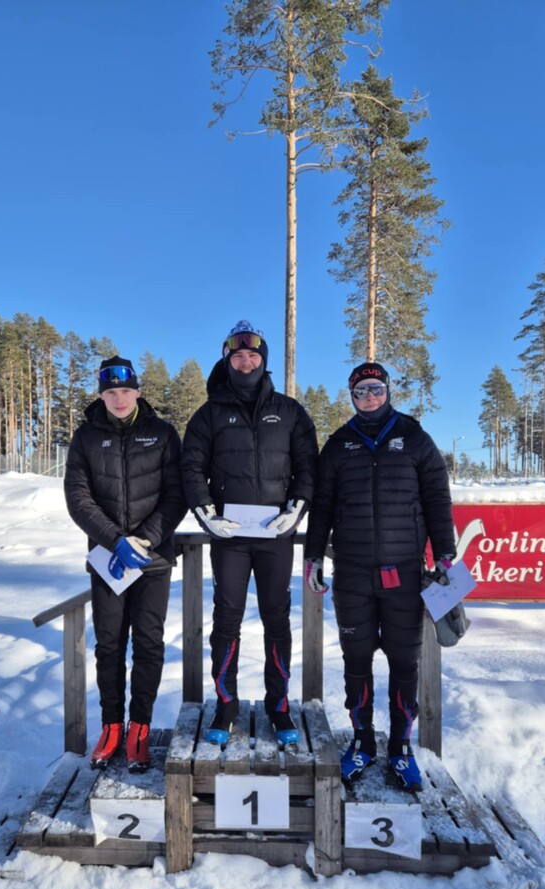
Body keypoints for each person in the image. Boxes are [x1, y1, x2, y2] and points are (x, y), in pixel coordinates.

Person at [304, 361, 456, 791]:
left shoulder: (414, 438)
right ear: (351, 396)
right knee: (356, 660)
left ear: (387, 391)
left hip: (404, 571)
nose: (369, 397)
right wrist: (313, 555)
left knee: (404, 661)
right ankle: (362, 741)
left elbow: (437, 499)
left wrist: (445, 553)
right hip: (352, 573)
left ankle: (401, 747)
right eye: (360, 391)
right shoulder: (339, 444)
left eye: (376, 389)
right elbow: (322, 506)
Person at [181, 320, 318, 747]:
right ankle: (226, 705)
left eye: (253, 355)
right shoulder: (208, 414)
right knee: (227, 619)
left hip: (276, 535)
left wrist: (297, 506)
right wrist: (205, 512)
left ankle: (279, 706)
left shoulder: (290, 411)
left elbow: (308, 466)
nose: (245, 362)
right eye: (238, 356)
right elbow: (191, 468)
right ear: (227, 360)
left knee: (277, 618)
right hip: (231, 538)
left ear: (264, 360)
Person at [64, 356, 187, 772]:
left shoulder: (163, 434)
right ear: (101, 395)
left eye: (126, 391)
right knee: (110, 645)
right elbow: (78, 498)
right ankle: (112, 725)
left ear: (138, 392)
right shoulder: (86, 437)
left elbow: (177, 495)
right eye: (111, 392)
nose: (119, 399)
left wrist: (145, 539)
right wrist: (115, 541)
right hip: (108, 560)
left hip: (152, 560)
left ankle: (140, 727)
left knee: (149, 643)